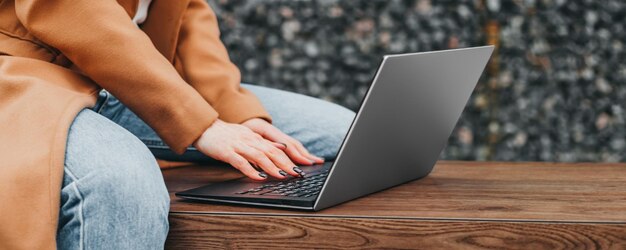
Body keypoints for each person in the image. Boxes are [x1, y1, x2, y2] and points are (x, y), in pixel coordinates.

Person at [0, 0, 354, 249]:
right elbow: (69, 9)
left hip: (131, 80)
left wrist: (236, 111)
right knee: (123, 178)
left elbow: (186, 14)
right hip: (31, 76)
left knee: (340, 131)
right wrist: (200, 125)